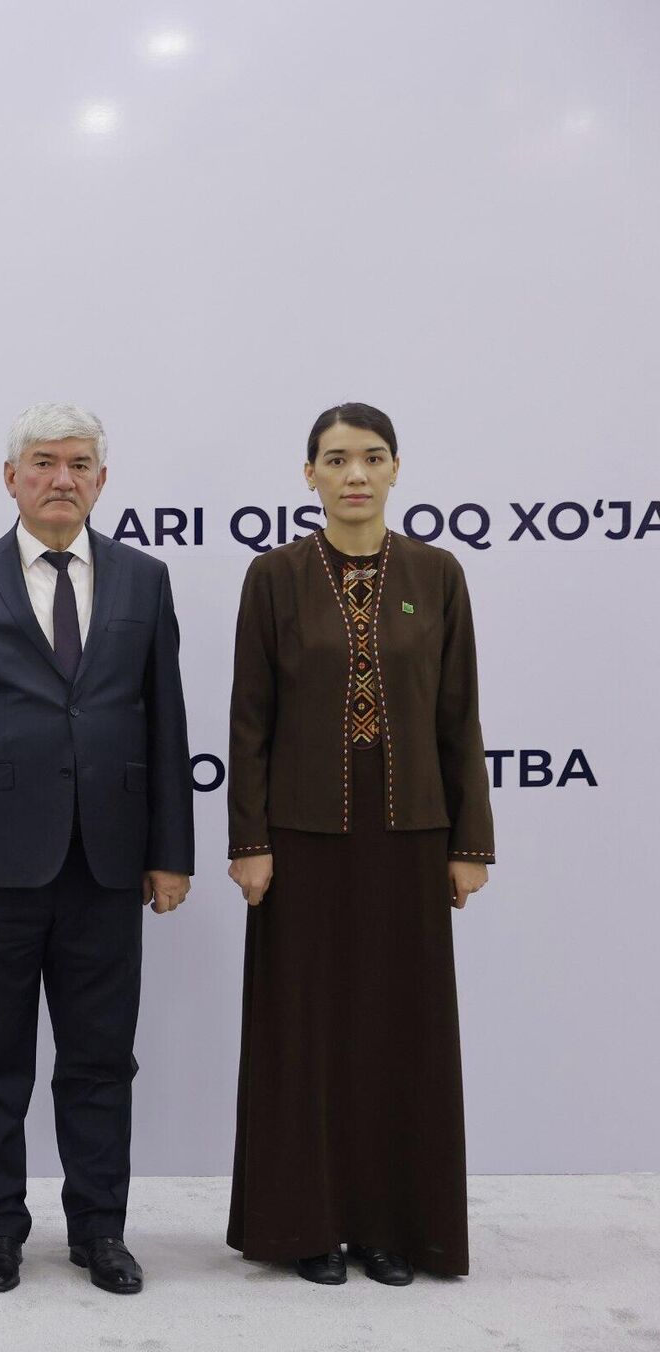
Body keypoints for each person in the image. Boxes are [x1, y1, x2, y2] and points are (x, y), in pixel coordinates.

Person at [0, 402, 192, 1296]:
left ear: (102, 480)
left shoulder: (145, 580)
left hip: (108, 863)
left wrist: (170, 850)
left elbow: (167, 722)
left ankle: (100, 1229)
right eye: (43, 462)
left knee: (101, 1059)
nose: (62, 478)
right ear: (11, 477)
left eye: (79, 463)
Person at [225, 403, 492, 1285]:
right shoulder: (274, 576)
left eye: (372, 458)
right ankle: (306, 1223)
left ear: (396, 468)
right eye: (336, 459)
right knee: (304, 1030)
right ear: (309, 474)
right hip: (301, 838)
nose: (355, 475)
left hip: (411, 833)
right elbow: (250, 721)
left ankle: (388, 1225)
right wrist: (250, 840)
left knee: (398, 1028)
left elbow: (459, 715)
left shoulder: (437, 573)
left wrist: (470, 842)